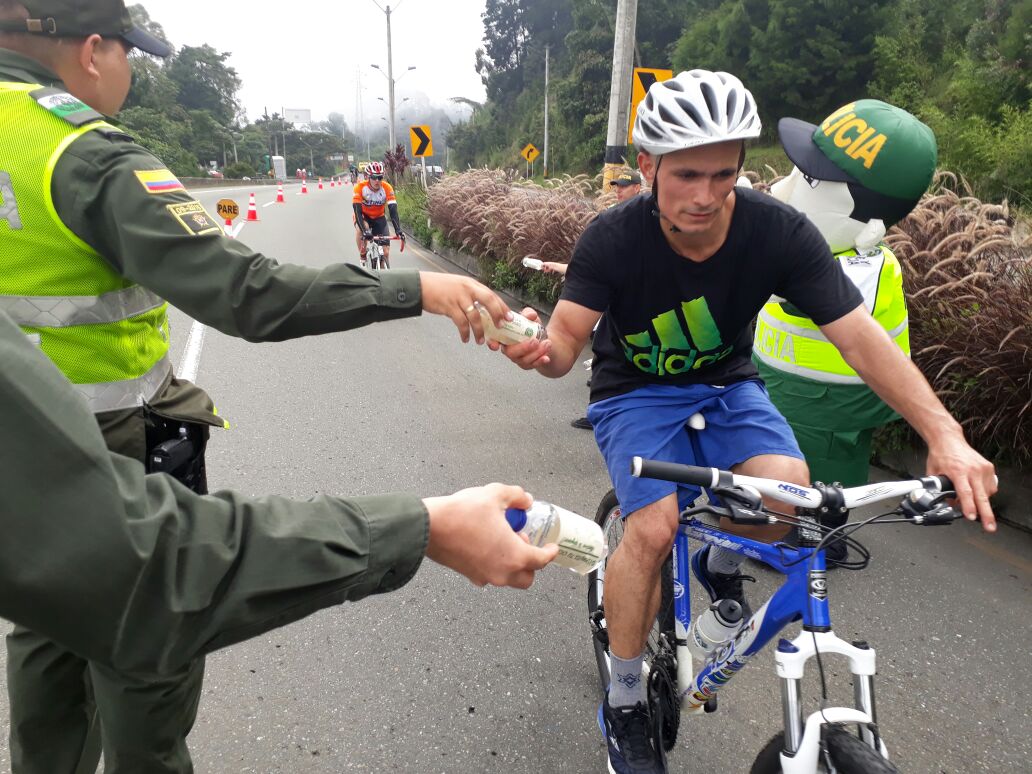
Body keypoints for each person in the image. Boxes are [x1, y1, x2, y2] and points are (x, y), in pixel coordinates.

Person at [0, 2, 509, 771]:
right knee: (148, 675)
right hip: (113, 456)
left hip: (22, 475)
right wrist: (415, 290)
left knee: (45, 659)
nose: (131, 72)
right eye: (131, 54)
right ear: (94, 50)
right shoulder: (83, 153)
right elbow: (249, 292)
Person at [497, 69, 996, 774]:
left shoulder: (776, 232)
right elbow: (565, 347)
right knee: (653, 528)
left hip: (728, 386)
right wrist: (537, 352)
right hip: (634, 393)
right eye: (687, 174)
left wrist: (945, 434)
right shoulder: (612, 239)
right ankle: (626, 698)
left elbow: (859, 338)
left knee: (789, 495)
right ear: (648, 166)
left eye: (723, 173)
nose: (705, 195)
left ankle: (719, 559)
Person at [0, 308, 558, 675]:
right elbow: (143, 558)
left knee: (59, 653)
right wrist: (423, 526)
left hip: (97, 464)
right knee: (138, 677)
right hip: (111, 453)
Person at [753, 99, 937, 565]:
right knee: (778, 455)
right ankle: (778, 519)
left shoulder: (864, 265)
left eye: (811, 183)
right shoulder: (805, 247)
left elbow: (805, 302)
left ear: (870, 228)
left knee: (830, 470)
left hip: (834, 400)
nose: (783, 188)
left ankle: (825, 539)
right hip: (785, 387)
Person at [353, 159, 404, 269]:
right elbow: (357, 211)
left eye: (380, 177)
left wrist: (398, 230)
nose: (377, 181)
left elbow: (393, 210)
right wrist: (365, 231)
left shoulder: (387, 188)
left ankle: (382, 274)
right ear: (368, 177)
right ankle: (363, 255)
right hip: (364, 216)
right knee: (362, 229)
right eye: (374, 177)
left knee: (385, 253)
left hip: (379, 217)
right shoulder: (360, 187)